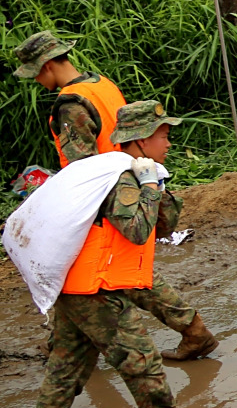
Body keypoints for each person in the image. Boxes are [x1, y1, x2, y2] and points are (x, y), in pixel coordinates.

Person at [26, 101, 228, 408]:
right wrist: (149, 186)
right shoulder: (121, 177)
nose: (169, 142)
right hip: (97, 288)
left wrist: (156, 185)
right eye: (163, 135)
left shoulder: (114, 171)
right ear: (142, 139)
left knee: (66, 366)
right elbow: (136, 230)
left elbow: (163, 226)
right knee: (140, 358)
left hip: (76, 285)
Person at [13, 31, 218, 360]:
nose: (37, 80)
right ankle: (64, 345)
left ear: (47, 65)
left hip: (103, 194)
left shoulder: (70, 103)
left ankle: (190, 331)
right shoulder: (101, 84)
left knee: (107, 272)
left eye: (36, 73)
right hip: (129, 179)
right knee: (114, 270)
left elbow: (82, 163)